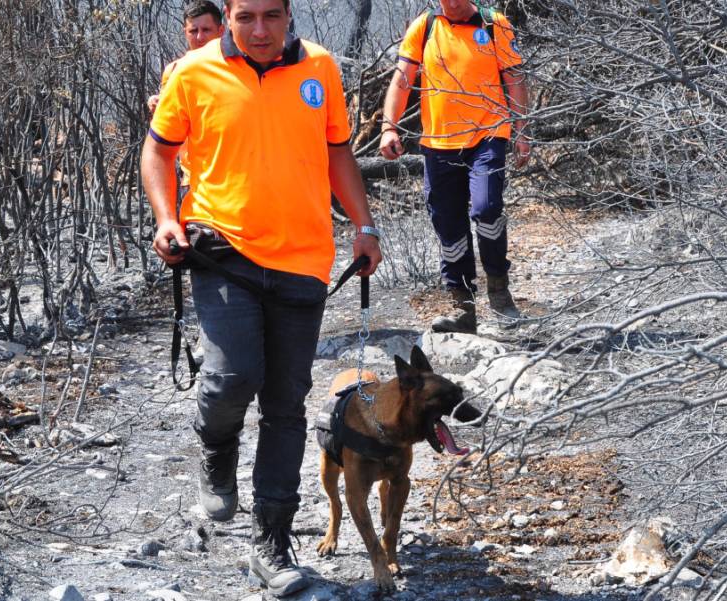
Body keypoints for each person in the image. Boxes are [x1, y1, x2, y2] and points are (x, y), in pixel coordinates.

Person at [140, 0, 382, 596]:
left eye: (271, 16)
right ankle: (216, 451)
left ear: (289, 14)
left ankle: (270, 542)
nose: (259, 30)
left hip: (303, 258)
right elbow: (159, 151)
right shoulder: (193, 71)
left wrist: (365, 225)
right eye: (246, 17)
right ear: (228, 15)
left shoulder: (320, 68)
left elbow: (337, 153)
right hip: (221, 250)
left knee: (286, 403)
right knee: (232, 375)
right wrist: (167, 218)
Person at [380, 0, 531, 334]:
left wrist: (521, 131)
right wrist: (389, 127)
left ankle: (499, 292)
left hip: (487, 137)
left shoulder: (494, 24)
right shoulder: (425, 27)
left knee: (487, 209)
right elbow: (402, 80)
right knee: (449, 227)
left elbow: (515, 79)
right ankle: (463, 308)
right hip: (438, 145)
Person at [146, 1, 225, 206]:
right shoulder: (174, 72)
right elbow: (170, 129)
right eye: (193, 30)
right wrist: (158, 107)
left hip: (228, 180)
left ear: (221, 31)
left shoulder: (236, 70)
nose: (200, 37)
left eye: (206, 30)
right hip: (191, 181)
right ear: (185, 32)